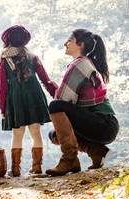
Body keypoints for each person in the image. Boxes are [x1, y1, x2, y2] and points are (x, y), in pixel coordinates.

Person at [45, 29, 119, 176]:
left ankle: (69, 159)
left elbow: (62, 101)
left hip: (104, 124)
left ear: (80, 44)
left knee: (55, 106)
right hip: (105, 125)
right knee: (54, 134)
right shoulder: (85, 63)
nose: (65, 44)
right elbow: (68, 102)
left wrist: (55, 91)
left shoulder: (78, 64)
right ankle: (97, 152)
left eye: (69, 41)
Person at [0, 25, 58, 176]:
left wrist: (2, 108)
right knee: (35, 132)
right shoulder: (33, 57)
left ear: (7, 41)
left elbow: (2, 87)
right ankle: (37, 167)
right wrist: (55, 95)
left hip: (15, 98)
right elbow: (46, 80)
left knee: (17, 133)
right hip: (34, 96)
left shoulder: (4, 60)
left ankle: (16, 169)